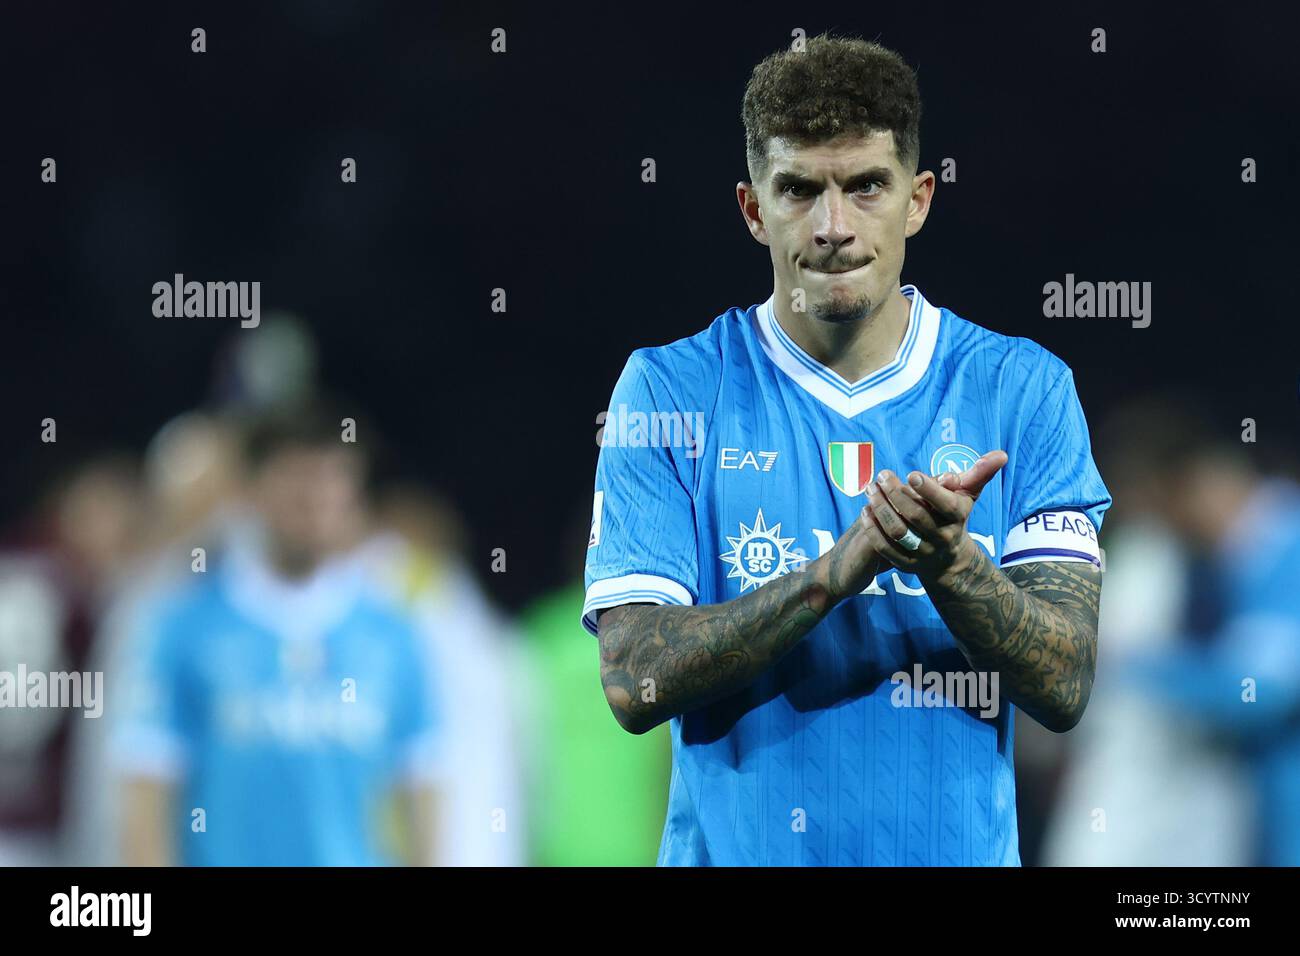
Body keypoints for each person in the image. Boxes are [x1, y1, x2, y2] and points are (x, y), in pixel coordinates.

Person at [584, 35, 1110, 866]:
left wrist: (951, 564)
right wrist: (836, 573)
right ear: (754, 208)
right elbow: (632, 679)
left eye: (867, 186)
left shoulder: (1022, 388)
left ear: (919, 199)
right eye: (799, 190)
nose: (833, 227)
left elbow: (1066, 683)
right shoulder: (670, 390)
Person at [112, 403, 443, 866]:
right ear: (250, 491)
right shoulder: (185, 627)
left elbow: (423, 792)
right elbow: (146, 795)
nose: (316, 499)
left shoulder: (393, 634)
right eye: (296, 478)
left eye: (333, 478)